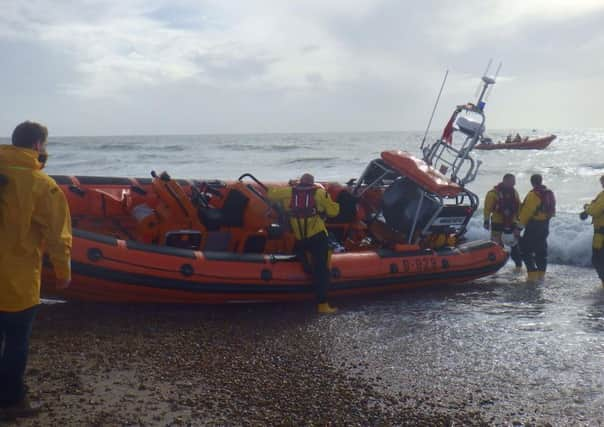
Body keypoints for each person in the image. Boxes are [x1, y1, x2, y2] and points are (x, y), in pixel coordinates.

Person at [0, 121, 72, 420]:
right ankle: (11, 400)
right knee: (16, 343)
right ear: (38, 146)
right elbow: (59, 235)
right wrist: (63, 272)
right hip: (17, 282)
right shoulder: (42, 186)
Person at [268, 173, 340, 313]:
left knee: (302, 258)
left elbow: (271, 194)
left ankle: (304, 277)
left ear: (300, 182)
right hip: (318, 237)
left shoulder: (289, 191)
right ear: (313, 183)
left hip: (300, 238)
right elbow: (334, 212)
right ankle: (323, 305)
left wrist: (289, 186)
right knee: (322, 270)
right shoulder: (319, 193)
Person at [514, 174, 556, 282]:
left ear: (532, 182)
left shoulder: (533, 195)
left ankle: (532, 276)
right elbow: (552, 210)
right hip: (545, 225)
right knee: (541, 250)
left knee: (525, 249)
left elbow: (526, 213)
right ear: (541, 181)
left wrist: (518, 229)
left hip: (534, 225)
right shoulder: (548, 193)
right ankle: (541, 276)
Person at [483, 174, 523, 272]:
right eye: (512, 181)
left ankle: (518, 267)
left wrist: (520, 222)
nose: (514, 183)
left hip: (512, 223)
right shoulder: (493, 193)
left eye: (514, 181)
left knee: (514, 246)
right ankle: (493, 270)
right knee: (496, 246)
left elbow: (519, 207)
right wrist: (486, 221)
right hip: (497, 223)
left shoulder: (514, 192)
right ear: (505, 181)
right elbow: (487, 209)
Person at [581, 175, 604, 286]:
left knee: (597, 259)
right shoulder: (601, 195)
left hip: (601, 234)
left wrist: (586, 208)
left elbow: (595, 210)